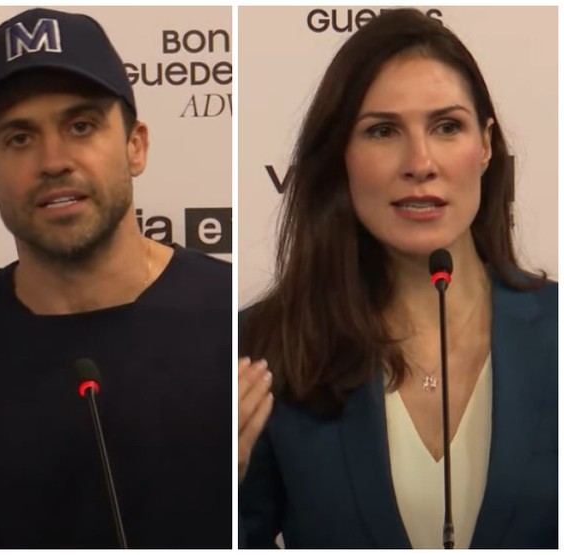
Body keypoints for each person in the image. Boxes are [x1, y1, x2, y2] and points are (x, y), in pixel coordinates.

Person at [0, 7, 232, 549]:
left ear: (137, 145)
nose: (54, 160)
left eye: (81, 126)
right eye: (18, 138)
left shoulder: (242, 327)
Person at [238, 8, 556, 549]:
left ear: (485, 146)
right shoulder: (263, 348)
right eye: (383, 131)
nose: (420, 162)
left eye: (447, 126)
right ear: (341, 156)